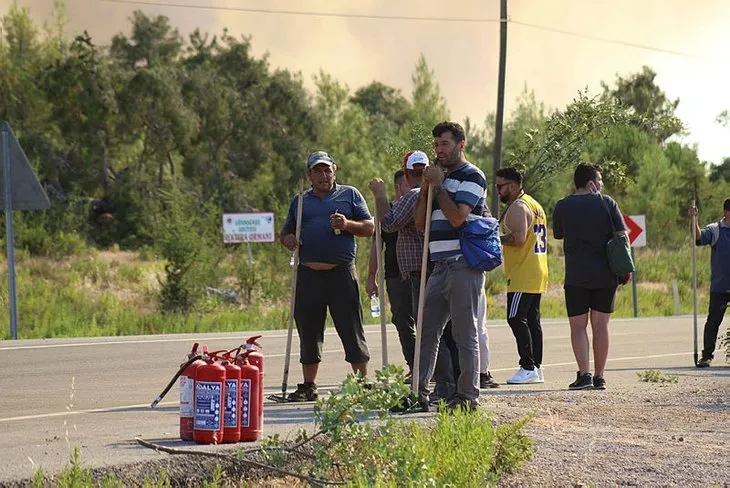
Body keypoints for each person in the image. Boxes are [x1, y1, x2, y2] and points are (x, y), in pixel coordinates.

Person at [280, 151, 375, 401]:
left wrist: (347, 225)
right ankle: (308, 386)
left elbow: (369, 228)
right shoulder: (300, 201)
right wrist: (289, 240)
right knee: (308, 330)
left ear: (335, 170)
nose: (323, 175)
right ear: (309, 175)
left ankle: (361, 385)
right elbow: (286, 233)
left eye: (327, 170)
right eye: (317, 171)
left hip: (341, 274)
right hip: (308, 274)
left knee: (351, 328)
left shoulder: (350, 195)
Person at [413, 121, 488, 411]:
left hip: (462, 265)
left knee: (464, 332)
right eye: (436, 145)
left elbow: (457, 218)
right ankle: (417, 393)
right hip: (438, 265)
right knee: (427, 332)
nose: (439, 150)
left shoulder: (473, 176)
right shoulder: (436, 179)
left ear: (461, 144)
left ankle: (468, 396)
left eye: (444, 144)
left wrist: (440, 187)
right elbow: (421, 224)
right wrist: (425, 190)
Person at [552, 163, 627, 391]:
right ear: (591, 183)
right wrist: (626, 267)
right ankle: (600, 376)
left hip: (576, 275)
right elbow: (622, 235)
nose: (602, 186)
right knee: (601, 325)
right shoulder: (607, 203)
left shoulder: (563, 206)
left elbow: (559, 233)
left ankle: (584, 375)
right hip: (605, 275)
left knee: (578, 326)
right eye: (600, 181)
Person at [496, 167, 549, 384]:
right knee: (532, 319)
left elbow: (518, 239)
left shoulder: (519, 206)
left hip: (524, 271)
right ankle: (536, 367)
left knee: (515, 317)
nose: (498, 191)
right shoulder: (534, 204)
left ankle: (527, 367)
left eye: (501, 186)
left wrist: (496, 238)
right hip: (536, 268)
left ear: (514, 185)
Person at [366, 169, 416, 374]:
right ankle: (415, 367)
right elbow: (377, 245)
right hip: (395, 275)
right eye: (408, 184)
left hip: (420, 271)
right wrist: (371, 277)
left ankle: (434, 368)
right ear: (397, 187)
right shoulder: (387, 211)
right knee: (402, 321)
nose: (413, 187)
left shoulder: (423, 205)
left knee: (427, 321)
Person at [689, 198, 730, 368]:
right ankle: (706, 356)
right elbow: (699, 238)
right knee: (713, 321)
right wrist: (694, 220)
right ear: (726, 213)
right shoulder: (716, 230)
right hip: (720, 287)